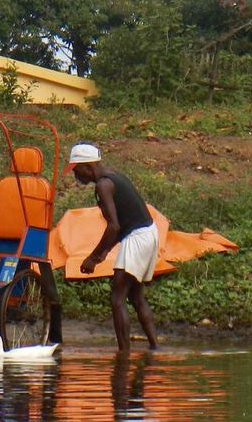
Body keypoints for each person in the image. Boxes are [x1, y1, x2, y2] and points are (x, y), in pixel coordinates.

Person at [64, 142, 158, 352]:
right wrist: (102, 253)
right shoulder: (115, 176)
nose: (76, 175)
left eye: (76, 170)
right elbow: (120, 225)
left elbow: (114, 226)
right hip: (148, 233)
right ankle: (154, 347)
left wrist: (93, 258)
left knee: (118, 297)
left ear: (88, 166)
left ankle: (124, 354)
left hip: (138, 237)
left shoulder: (103, 185)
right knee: (135, 296)